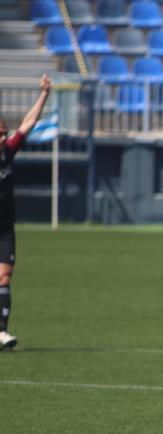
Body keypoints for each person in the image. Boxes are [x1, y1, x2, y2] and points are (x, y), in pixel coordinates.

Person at [0, 74, 52, 351]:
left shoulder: (8, 153)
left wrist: (44, 94)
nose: (4, 136)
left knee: (4, 277)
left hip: (5, 228)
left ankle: (1, 332)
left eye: (4, 132)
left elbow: (28, 123)